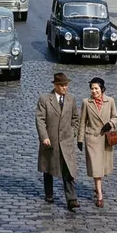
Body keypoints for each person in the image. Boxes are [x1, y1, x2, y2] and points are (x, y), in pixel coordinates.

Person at [35, 72, 80, 211]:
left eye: (66, 85)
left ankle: (71, 199)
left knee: (68, 170)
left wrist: (73, 132)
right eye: (62, 85)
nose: (65, 88)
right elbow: (40, 120)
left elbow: (75, 118)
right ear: (55, 86)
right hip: (51, 140)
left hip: (66, 141)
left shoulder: (71, 99)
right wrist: (44, 137)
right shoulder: (45, 99)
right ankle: (49, 194)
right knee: (48, 168)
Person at [77, 76, 117, 208]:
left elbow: (115, 117)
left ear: (102, 89)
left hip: (105, 138)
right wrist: (80, 139)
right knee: (96, 167)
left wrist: (110, 124)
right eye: (92, 89)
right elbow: (82, 121)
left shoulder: (110, 101)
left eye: (96, 88)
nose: (94, 91)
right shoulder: (86, 103)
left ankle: (97, 187)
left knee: (102, 168)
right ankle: (100, 195)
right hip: (92, 138)